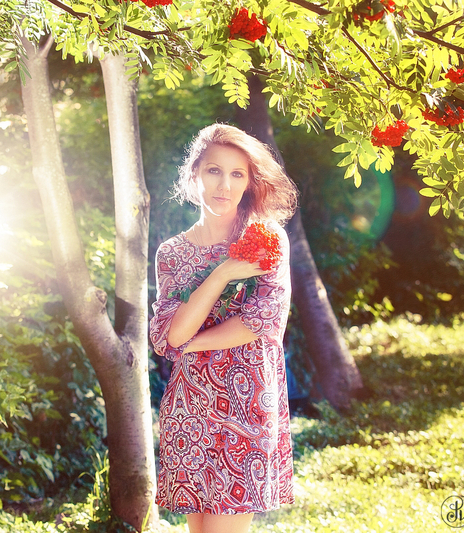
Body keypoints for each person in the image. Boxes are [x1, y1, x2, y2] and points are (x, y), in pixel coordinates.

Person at [149, 124, 298, 533]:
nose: (224, 185)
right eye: (214, 170)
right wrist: (223, 274)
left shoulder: (266, 240)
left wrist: (188, 343)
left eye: (237, 174)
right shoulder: (171, 253)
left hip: (246, 406)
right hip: (190, 408)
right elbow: (168, 336)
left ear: (249, 183)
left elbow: (264, 321)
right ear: (194, 173)